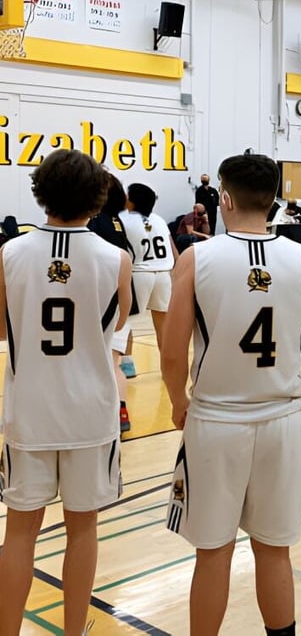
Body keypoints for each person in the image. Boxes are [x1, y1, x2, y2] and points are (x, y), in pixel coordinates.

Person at [161, 153, 301, 636]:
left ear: (224, 197)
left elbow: (173, 350)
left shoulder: (197, 258)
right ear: (275, 200)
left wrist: (178, 399)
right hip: (283, 421)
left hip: (217, 422)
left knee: (213, 554)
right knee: (274, 550)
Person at [0, 149, 131, 636]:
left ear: (40, 193)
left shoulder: (10, 253)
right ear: (97, 200)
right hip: (90, 414)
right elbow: (118, 323)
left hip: (30, 412)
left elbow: (1, 327)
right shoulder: (116, 258)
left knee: (18, 535)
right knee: (82, 531)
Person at [87, 174, 135, 432]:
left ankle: (109, 414)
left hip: (102, 302)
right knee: (114, 362)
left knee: (102, 363)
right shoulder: (118, 222)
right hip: (121, 298)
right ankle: (122, 409)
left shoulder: (95, 223)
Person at [119, 183, 177, 349]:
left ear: (132, 201)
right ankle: (166, 365)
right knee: (163, 325)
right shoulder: (159, 219)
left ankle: (127, 365)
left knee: (125, 322)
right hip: (164, 274)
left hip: (139, 274)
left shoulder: (122, 219)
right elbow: (172, 249)